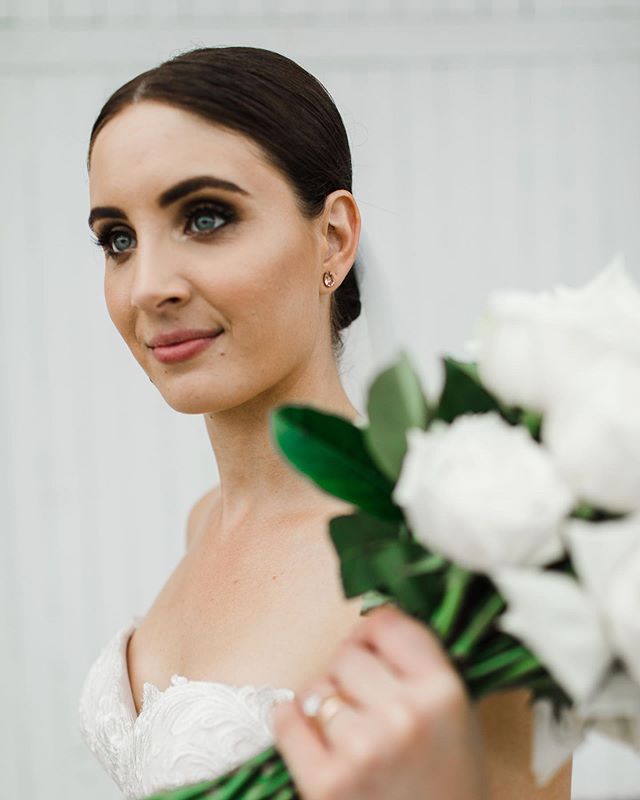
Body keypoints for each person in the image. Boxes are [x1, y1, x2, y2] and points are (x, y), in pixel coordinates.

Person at [78, 45, 572, 799]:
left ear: (334, 238)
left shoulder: (460, 553)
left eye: (205, 218)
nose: (147, 286)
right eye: (118, 239)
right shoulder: (201, 522)